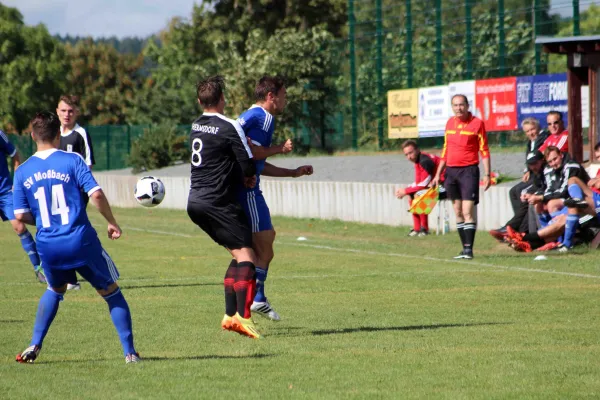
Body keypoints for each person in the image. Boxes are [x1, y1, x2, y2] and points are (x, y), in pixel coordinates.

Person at [13, 111, 139, 364]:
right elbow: (97, 195)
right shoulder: (72, 160)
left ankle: (34, 344)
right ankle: (130, 353)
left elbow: (20, 215)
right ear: (58, 134)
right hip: (80, 240)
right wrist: (112, 222)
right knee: (112, 292)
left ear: (32, 136)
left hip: (48, 245)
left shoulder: (23, 170)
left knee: (55, 289)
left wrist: (47, 221)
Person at [186, 75, 263, 339]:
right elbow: (249, 164)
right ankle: (244, 317)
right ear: (222, 99)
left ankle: (230, 317)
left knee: (236, 255)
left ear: (199, 101)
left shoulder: (196, 125)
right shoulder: (229, 126)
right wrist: (248, 173)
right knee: (248, 257)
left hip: (195, 202)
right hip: (219, 202)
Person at [237, 76, 313, 322]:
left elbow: (254, 159)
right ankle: (253, 300)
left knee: (257, 246)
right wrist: (280, 148)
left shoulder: (249, 115)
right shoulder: (264, 118)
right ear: (271, 96)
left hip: (240, 187)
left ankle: (253, 299)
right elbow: (252, 152)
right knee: (262, 247)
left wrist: (292, 173)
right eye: (284, 95)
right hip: (247, 191)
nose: (285, 101)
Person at [431, 94, 491, 259]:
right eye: (455, 105)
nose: (458, 108)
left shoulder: (477, 123)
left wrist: (487, 174)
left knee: (467, 211)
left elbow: (484, 150)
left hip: (468, 171)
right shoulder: (450, 123)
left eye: (461, 105)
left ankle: (468, 250)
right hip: (451, 172)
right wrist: (438, 174)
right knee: (457, 211)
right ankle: (464, 249)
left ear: (467, 105)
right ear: (452, 107)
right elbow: (445, 150)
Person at [56, 95, 95, 290]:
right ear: (57, 112)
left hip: (75, 193)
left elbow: (88, 165)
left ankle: (71, 279)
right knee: (59, 232)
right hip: (55, 193)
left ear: (76, 112)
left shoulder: (80, 134)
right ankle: (66, 276)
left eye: (70, 111)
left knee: (70, 232)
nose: (67, 114)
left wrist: (82, 190)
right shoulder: (53, 134)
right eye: (63, 110)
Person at [489, 118, 548, 239]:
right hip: (533, 174)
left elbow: (539, 158)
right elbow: (530, 160)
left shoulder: (543, 139)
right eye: (527, 131)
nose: (531, 133)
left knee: (521, 192)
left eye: (533, 129)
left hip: (539, 176)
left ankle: (517, 229)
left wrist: (531, 170)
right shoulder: (530, 142)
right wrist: (527, 170)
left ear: (538, 128)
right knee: (513, 191)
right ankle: (518, 225)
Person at [0, 130, 44, 283]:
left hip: (5, 192)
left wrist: (16, 184)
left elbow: (15, 155)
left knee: (19, 226)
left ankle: (39, 267)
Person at [395, 139, 442, 237]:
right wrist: (405, 191)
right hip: (436, 185)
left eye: (410, 153)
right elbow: (418, 183)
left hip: (446, 186)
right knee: (411, 193)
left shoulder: (425, 161)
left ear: (417, 150)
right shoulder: (418, 161)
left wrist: (405, 191)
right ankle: (417, 228)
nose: (409, 157)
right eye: (406, 155)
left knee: (418, 194)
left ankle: (424, 229)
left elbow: (423, 184)